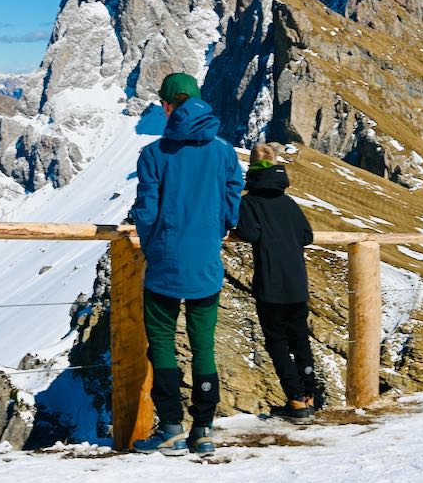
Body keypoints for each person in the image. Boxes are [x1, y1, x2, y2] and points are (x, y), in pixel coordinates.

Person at [131, 72, 243, 456]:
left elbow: (146, 211)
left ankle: (172, 428)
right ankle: (204, 429)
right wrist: (221, 228)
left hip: (164, 264)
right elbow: (233, 196)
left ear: (166, 106)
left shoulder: (154, 154)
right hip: (206, 264)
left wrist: (152, 245)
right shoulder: (224, 151)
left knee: (161, 343)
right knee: (203, 346)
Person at [234, 143, 317, 424]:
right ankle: (309, 396)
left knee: (278, 343)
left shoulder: (250, 202)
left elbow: (248, 232)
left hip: (270, 283)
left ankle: (295, 400)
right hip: (297, 281)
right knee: (300, 339)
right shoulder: (288, 202)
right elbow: (307, 235)